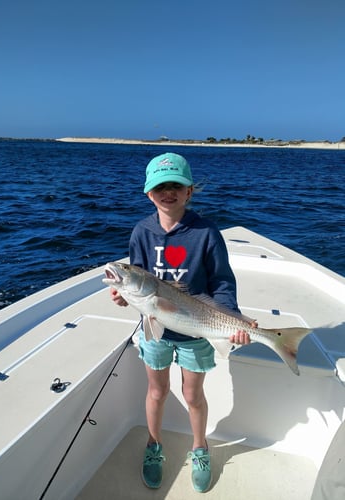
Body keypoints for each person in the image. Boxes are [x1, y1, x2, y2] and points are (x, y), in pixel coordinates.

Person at [110, 152, 252, 493]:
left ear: (190, 191)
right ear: (148, 193)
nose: (168, 192)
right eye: (160, 186)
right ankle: (154, 445)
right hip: (154, 329)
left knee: (193, 394)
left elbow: (221, 282)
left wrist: (233, 320)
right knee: (157, 391)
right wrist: (122, 294)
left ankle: (200, 447)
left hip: (197, 329)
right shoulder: (141, 232)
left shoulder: (206, 233)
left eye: (176, 185)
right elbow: (139, 280)